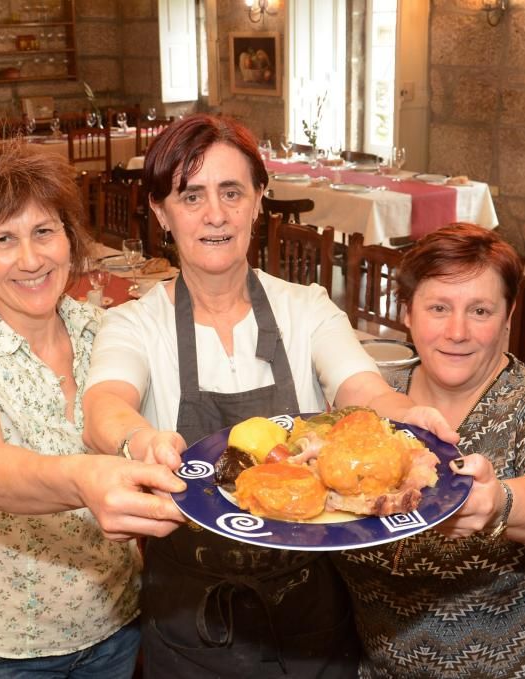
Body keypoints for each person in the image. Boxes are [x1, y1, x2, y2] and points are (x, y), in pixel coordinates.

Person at [81, 114, 458, 678]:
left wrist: (408, 415)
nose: (215, 214)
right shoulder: (136, 323)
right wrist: (140, 438)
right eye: (192, 195)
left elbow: (361, 389)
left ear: (259, 199)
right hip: (191, 620)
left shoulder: (306, 307)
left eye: (232, 192)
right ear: (161, 211)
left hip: (310, 614)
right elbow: (104, 404)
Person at [0, 142, 186, 678]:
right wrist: (84, 477)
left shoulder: (103, 331)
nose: (30, 260)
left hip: (115, 622)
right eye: (3, 239)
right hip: (3, 646)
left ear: (69, 237)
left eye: (43, 232)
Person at [332, 223, 525, 678]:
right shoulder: (375, 403)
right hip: (383, 664)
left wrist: (500, 503)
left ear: (508, 315)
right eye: (438, 307)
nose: (457, 331)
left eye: (480, 310)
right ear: (407, 312)